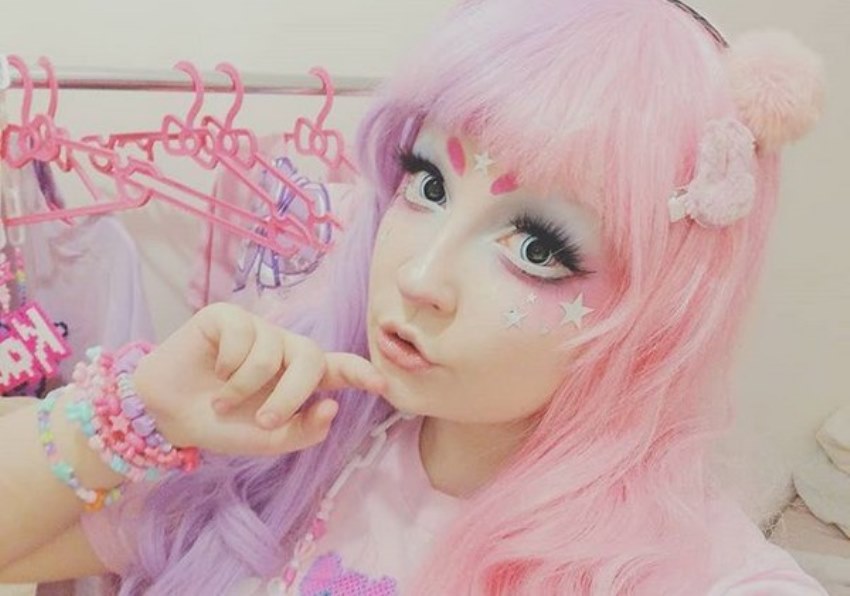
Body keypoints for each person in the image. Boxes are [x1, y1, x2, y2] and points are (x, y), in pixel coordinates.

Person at [0, 0, 828, 594]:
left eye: (536, 247)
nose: (420, 277)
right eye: (427, 184)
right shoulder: (301, 445)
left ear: (663, 307)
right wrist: (137, 411)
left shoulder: (700, 574)